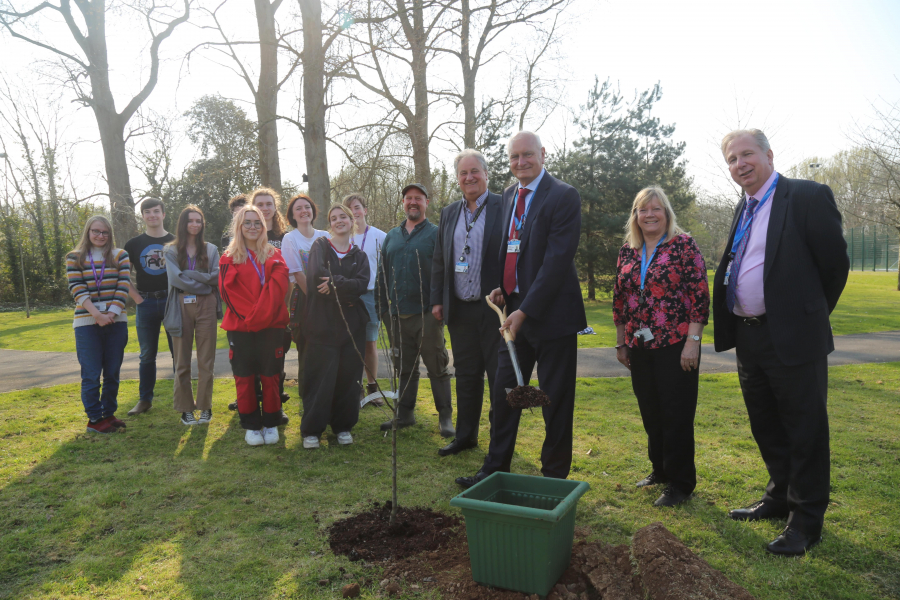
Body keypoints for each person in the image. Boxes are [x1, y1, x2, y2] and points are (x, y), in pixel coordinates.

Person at [714, 129, 849, 555]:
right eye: (732, 159)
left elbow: (835, 266)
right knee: (766, 424)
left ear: (769, 154)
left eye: (747, 154)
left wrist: (805, 317)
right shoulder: (745, 206)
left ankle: (806, 522)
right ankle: (778, 498)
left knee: (804, 429)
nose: (740, 164)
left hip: (792, 338)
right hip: (749, 336)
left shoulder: (807, 196)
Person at [456, 131, 587, 488]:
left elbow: (556, 262)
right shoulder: (511, 195)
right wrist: (502, 285)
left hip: (552, 318)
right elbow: (509, 248)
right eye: (514, 157)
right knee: (505, 394)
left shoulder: (563, 196)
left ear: (543, 154)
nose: (520, 162)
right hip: (513, 316)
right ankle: (494, 468)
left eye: (527, 155)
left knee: (554, 400)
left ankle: (554, 478)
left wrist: (525, 310)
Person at [612, 187, 709, 507]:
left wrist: (692, 343)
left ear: (667, 213)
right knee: (651, 411)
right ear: (635, 216)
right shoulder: (628, 250)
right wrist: (621, 342)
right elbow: (620, 300)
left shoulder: (683, 245)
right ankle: (661, 470)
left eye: (656, 209)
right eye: (642, 210)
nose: (649, 215)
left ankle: (681, 483)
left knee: (676, 413)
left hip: (676, 345)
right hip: (639, 345)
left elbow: (699, 296)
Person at [430, 149, 504, 456]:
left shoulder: (505, 206)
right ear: (458, 179)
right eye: (463, 173)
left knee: (499, 378)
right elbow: (439, 260)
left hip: (495, 310)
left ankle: (499, 442)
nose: (469, 177)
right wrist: (437, 300)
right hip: (459, 310)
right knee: (467, 376)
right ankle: (465, 437)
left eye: (475, 171)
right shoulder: (448, 213)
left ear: (486, 174)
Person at [376, 183, 454, 438]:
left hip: (428, 314)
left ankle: (445, 418)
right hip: (398, 315)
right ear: (403, 203)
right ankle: (405, 414)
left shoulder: (436, 234)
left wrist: (440, 306)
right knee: (404, 368)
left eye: (418, 198)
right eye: (408, 198)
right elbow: (382, 274)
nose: (413, 202)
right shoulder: (392, 236)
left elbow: (445, 272)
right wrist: (383, 310)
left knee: (437, 366)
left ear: (426, 203)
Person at [219, 205, 290, 446]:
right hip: (241, 329)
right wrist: (253, 320)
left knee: (271, 375)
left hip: (270, 327)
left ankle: (271, 422)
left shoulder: (274, 254)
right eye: (247, 222)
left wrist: (260, 319)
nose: (252, 227)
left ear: (264, 226)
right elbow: (229, 293)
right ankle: (250, 424)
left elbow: (277, 290)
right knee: (244, 376)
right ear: (239, 226)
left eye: (257, 222)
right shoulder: (228, 257)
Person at [300, 204, 370, 448]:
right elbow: (315, 277)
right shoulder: (320, 245)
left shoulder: (359, 255)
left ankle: (343, 426)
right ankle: (312, 430)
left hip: (352, 326)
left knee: (348, 379)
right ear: (329, 224)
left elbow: (362, 284)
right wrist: (344, 287)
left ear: (352, 221)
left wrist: (335, 284)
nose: (339, 221)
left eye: (343, 217)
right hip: (322, 324)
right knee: (320, 378)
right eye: (334, 218)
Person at [67, 216, 131, 433]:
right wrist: (97, 315)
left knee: (112, 372)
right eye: (96, 231)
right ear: (88, 232)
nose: (100, 236)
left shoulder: (120, 255)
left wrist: (111, 313)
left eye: (105, 232)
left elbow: (123, 285)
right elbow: (77, 289)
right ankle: (94, 419)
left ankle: (108, 413)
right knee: (91, 374)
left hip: (116, 320)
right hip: (87, 323)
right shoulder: (74, 257)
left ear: (110, 234)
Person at [163, 206, 222, 426]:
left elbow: (216, 276)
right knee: (182, 361)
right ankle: (185, 409)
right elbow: (176, 280)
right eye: (191, 220)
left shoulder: (211, 249)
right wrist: (203, 282)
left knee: (207, 359)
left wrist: (190, 274)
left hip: (207, 305)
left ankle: (205, 407)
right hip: (180, 305)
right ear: (183, 223)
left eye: (199, 220)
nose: (195, 224)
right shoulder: (170, 250)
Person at [124, 198, 174, 416]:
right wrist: (137, 299)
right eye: (147, 212)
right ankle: (145, 399)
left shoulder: (175, 241)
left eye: (156, 211)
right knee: (147, 355)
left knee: (179, 353)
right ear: (142, 216)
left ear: (163, 214)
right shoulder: (133, 244)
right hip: (145, 303)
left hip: (172, 302)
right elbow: (123, 275)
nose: (152, 215)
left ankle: (183, 397)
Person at [281, 194, 330, 400]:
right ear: (292, 215)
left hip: (328, 297)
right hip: (305, 299)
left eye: (307, 207)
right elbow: (297, 272)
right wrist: (315, 300)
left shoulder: (325, 235)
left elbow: (332, 266)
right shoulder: (290, 238)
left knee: (327, 345)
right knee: (307, 347)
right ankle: (308, 395)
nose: (304, 211)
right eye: (298, 208)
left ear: (313, 211)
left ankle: (327, 391)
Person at [251, 187, 292, 419]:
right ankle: (251, 402)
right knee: (253, 358)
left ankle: (276, 403)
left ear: (275, 207)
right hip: (251, 306)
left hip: (277, 305)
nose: (264, 209)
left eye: (269, 204)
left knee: (276, 357)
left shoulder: (284, 238)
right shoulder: (245, 234)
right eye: (260, 204)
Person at [346, 194, 387, 398]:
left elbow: (386, 269)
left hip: (371, 295)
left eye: (357, 207)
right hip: (349, 295)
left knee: (370, 342)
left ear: (365, 210)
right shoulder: (341, 237)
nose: (354, 212)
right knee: (351, 341)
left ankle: (372, 385)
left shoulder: (380, 236)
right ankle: (356, 385)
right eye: (349, 209)